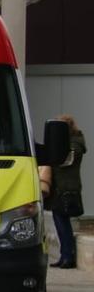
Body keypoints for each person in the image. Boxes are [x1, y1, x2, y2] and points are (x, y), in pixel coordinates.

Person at [51, 114, 86, 269]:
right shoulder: (69, 142)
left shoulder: (75, 144)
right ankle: (64, 255)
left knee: (63, 224)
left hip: (67, 189)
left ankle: (68, 257)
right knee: (60, 223)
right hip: (60, 188)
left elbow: (64, 160)